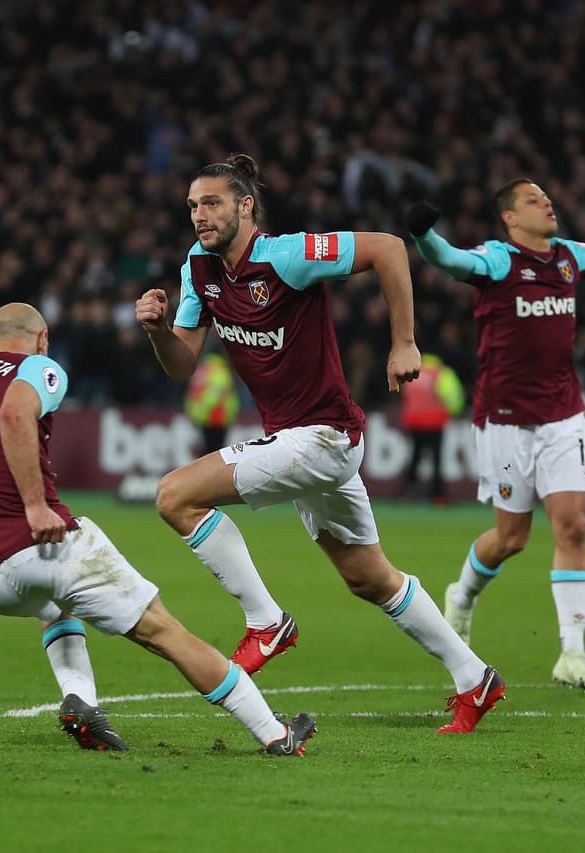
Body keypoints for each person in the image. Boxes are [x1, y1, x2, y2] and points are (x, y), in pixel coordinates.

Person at [135, 153, 504, 734]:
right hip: (305, 443)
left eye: (211, 203)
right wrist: (159, 332)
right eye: (192, 206)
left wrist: (404, 343)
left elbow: (387, 247)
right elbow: (182, 364)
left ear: (245, 205)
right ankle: (474, 678)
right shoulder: (199, 269)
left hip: (324, 438)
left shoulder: (287, 256)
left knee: (174, 496)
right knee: (369, 578)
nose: (200, 216)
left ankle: (266, 622)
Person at [0, 303, 315, 755]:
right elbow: (13, 414)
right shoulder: (37, 368)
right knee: (164, 631)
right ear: (43, 339)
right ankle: (275, 734)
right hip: (40, 544)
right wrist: (32, 506)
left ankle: (80, 701)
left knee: (55, 608)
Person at [404, 181, 585, 691]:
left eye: (547, 197)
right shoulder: (497, 261)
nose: (548, 203)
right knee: (511, 539)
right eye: (533, 200)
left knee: (573, 527)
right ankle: (463, 595)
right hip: (504, 420)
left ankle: (572, 654)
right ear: (510, 219)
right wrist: (423, 233)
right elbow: (449, 261)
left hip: (563, 416)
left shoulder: (567, 258)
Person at [399, 352, 466, 504]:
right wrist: (454, 411)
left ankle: (408, 493)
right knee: (436, 459)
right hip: (434, 422)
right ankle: (438, 495)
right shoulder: (440, 372)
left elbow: (405, 394)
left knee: (415, 457)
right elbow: (453, 396)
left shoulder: (413, 370)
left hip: (414, 421)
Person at [186, 351, 239, 456]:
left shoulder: (201, 371)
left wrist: (194, 413)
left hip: (203, 417)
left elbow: (193, 393)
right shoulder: (220, 371)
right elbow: (218, 395)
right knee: (216, 452)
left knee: (208, 448)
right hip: (217, 417)